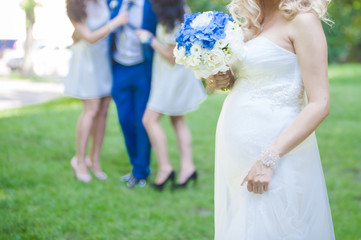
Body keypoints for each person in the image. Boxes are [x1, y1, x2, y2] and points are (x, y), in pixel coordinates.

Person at [209, 0, 335, 238]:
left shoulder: (303, 20)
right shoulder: (250, 23)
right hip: (237, 155)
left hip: (276, 154)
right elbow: (252, 78)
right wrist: (224, 78)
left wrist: (269, 159)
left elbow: (320, 103)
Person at [135, 0, 207, 191]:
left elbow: (172, 56)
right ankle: (188, 168)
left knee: (149, 120)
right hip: (173, 75)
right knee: (178, 120)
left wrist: (149, 39)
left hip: (172, 76)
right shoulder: (179, 10)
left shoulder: (175, 17)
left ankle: (165, 169)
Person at [65, 0, 128, 182]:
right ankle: (80, 161)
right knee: (90, 110)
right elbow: (89, 37)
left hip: (104, 61)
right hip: (86, 62)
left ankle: (95, 161)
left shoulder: (103, 2)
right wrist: (115, 23)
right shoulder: (74, 7)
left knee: (103, 112)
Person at [107, 0, 157, 187]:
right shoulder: (115, 3)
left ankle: (141, 171)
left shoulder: (150, 6)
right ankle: (135, 165)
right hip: (119, 69)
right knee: (125, 120)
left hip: (142, 69)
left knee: (142, 121)